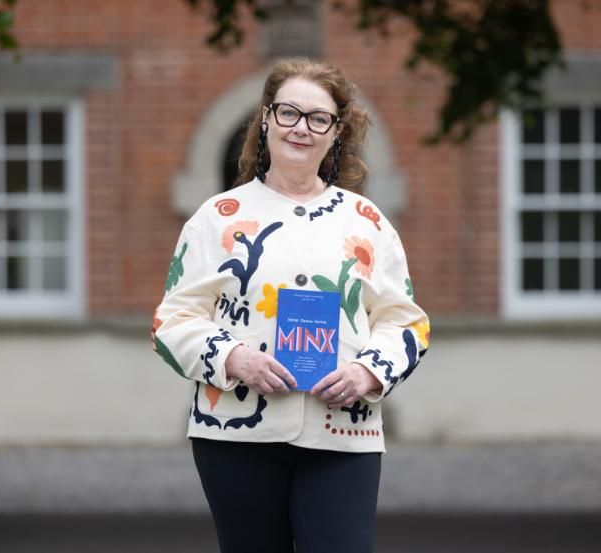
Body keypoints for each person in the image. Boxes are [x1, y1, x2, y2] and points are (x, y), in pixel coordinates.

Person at [152, 57, 430, 553]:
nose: (301, 128)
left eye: (318, 118)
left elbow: (407, 325)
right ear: (266, 119)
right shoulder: (216, 218)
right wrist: (234, 358)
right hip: (235, 434)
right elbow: (170, 322)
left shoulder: (367, 222)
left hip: (342, 432)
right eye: (289, 113)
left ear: (336, 132)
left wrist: (368, 371)